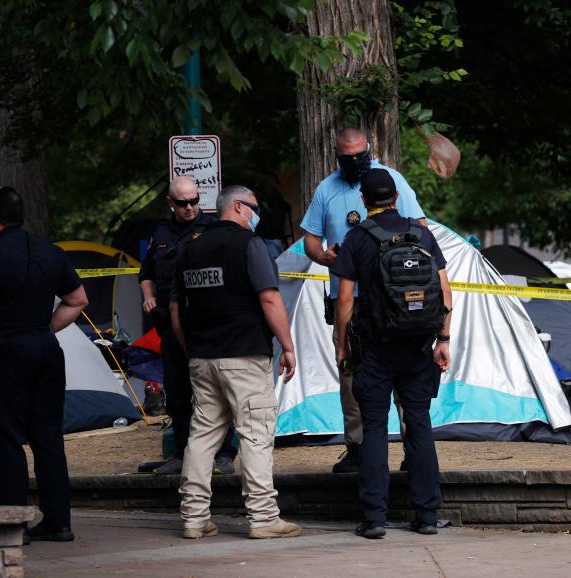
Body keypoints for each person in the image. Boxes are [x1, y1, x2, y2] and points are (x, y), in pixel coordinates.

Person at [0, 186, 89, 544]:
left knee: (7, 439)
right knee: (48, 438)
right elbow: (78, 299)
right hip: (46, 351)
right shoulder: (50, 251)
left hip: (6, 355)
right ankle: (58, 521)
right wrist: (43, 329)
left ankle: (14, 521)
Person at [170, 185, 301, 540]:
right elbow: (270, 298)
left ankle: (194, 518)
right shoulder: (249, 245)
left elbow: (176, 309)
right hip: (244, 355)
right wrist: (287, 346)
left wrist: (191, 349)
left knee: (201, 437)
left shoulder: (189, 246)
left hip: (202, 357)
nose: (257, 215)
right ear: (240, 208)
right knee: (256, 435)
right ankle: (263, 518)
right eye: (255, 208)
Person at [331, 168, 452, 538]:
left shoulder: (357, 239)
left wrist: (342, 345)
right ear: (397, 197)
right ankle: (428, 516)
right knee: (419, 425)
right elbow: (445, 292)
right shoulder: (423, 234)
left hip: (375, 349)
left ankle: (374, 518)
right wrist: (442, 340)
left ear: (364, 201)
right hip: (417, 347)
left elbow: (346, 299)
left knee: (373, 428)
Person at [300, 127, 427, 474]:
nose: (356, 162)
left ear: (369, 149)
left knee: (404, 373)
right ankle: (357, 448)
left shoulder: (390, 179)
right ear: (337, 156)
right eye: (349, 157)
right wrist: (324, 257)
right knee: (350, 375)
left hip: (393, 300)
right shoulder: (327, 189)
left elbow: (422, 228)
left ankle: (413, 449)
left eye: (361, 155)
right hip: (349, 300)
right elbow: (310, 239)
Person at [138, 175, 237, 476]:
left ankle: (224, 453)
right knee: (177, 391)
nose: (191, 207)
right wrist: (148, 297)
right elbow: (146, 272)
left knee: (215, 389)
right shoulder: (161, 232)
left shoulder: (211, 228)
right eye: (183, 203)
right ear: (170, 203)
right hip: (170, 324)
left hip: (204, 323)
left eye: (195, 200)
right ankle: (182, 452)